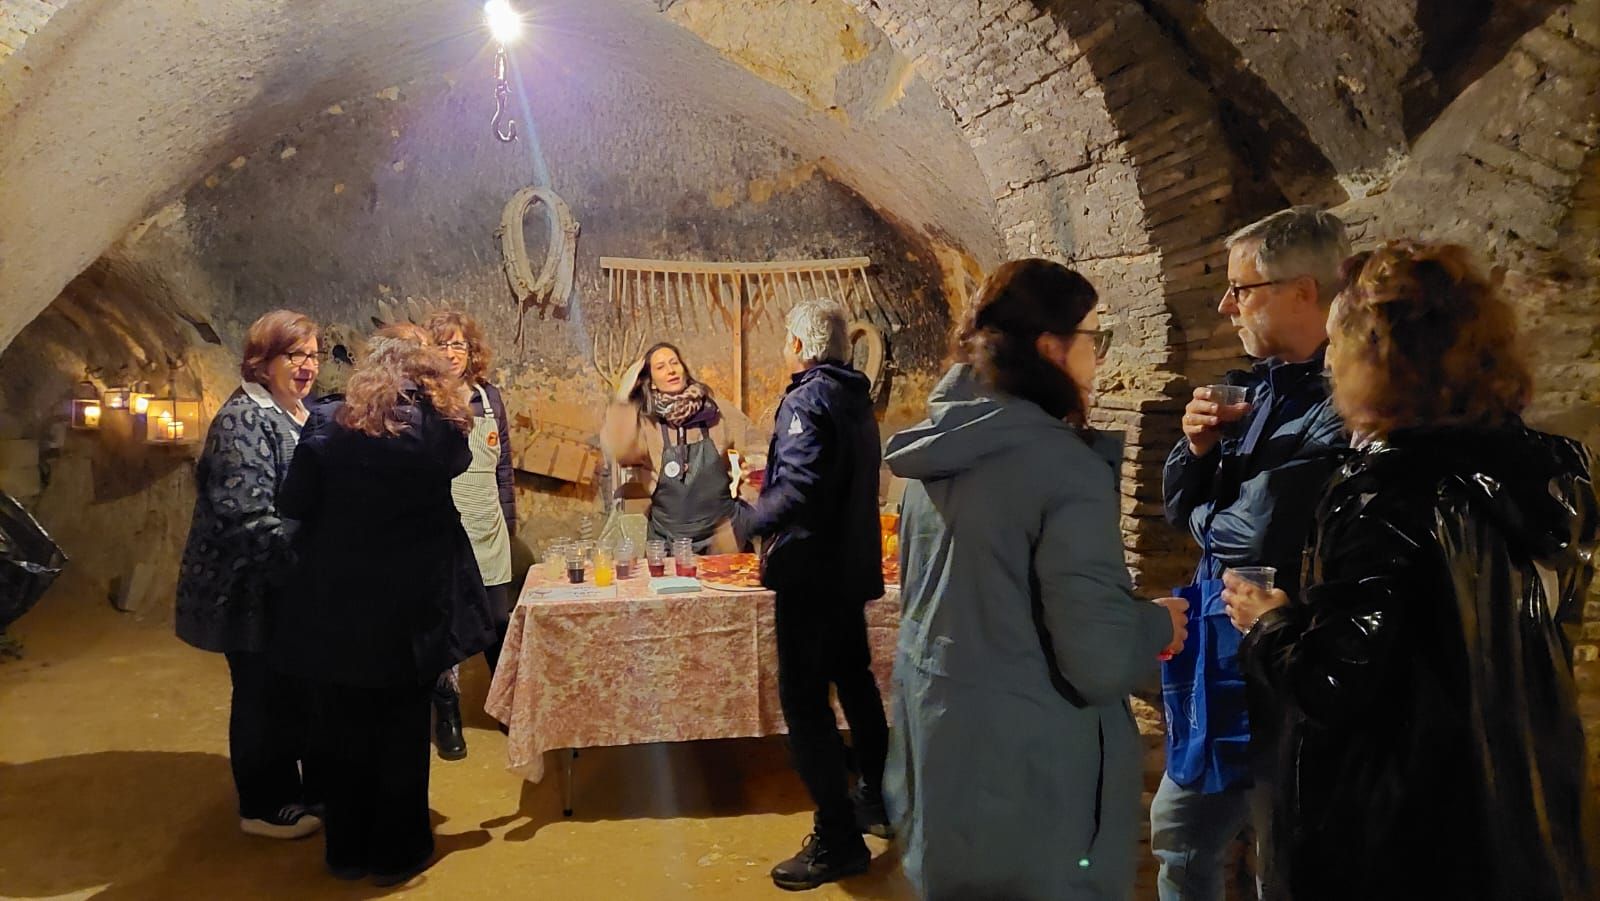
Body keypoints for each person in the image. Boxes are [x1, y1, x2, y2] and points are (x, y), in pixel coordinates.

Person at [1227, 241, 1598, 901]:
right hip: (1521, 823)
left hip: (1397, 842)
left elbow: (1332, 679)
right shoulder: (1557, 478)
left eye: (1340, 338)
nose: (1330, 359)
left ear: (1378, 356)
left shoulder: (1384, 489)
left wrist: (1271, 622)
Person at [884, 259, 1188, 900]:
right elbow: (1098, 659)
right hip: (1033, 778)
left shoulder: (933, 455)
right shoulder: (1061, 467)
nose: (1097, 359)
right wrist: (1158, 621)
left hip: (943, 755)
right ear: (1051, 348)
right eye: (1093, 339)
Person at [1155, 206, 1350, 901]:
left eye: (1242, 287)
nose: (1224, 303)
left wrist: (1209, 513)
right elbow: (1183, 509)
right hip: (1229, 643)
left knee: (1273, 849)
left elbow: (1258, 532)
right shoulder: (1259, 385)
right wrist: (1196, 449)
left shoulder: (1344, 396)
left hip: (1293, 658)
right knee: (1186, 833)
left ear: (1303, 290)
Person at [271, 328, 499, 885]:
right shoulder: (440, 430)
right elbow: (455, 462)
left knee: (344, 728)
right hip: (412, 605)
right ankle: (399, 852)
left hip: (338, 603)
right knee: (400, 730)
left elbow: (293, 503)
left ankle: (347, 853)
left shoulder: (326, 422)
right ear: (424, 375)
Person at [733, 299, 892, 891]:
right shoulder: (856, 397)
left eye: (786, 341)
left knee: (805, 706)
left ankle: (838, 839)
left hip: (809, 576)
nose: (785, 350)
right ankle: (877, 797)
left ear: (800, 346)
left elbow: (798, 487)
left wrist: (747, 521)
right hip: (847, 572)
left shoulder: (807, 398)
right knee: (855, 682)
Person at [175, 309, 324, 839]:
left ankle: (295, 789)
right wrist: (311, 564)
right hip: (247, 585)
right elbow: (246, 515)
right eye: (295, 355)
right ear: (264, 360)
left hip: (281, 584)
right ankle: (262, 805)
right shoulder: (244, 419)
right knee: (261, 691)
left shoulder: (294, 410)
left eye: (313, 354)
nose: (307, 366)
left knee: (289, 689)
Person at [423, 309, 516, 762]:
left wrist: (510, 523)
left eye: (458, 345)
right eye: (442, 344)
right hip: (446, 525)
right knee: (448, 627)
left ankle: (508, 707)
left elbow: (503, 468)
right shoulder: (424, 400)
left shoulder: (489, 397)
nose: (451, 353)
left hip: (490, 524)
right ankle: (448, 715)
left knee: (498, 620)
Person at [601, 343, 739, 553]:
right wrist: (622, 397)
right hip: (667, 544)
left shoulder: (717, 412)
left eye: (675, 363)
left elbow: (757, 453)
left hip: (719, 542)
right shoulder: (647, 423)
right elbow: (619, 450)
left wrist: (745, 505)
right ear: (652, 383)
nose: (671, 370)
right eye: (661, 367)